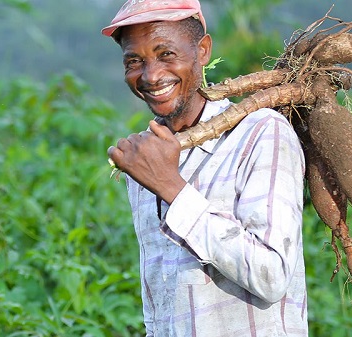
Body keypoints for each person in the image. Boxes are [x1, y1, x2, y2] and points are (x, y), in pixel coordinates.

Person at [103, 1, 308, 336]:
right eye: (134, 61)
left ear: (202, 50)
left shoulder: (260, 132)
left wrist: (171, 187)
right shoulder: (145, 157)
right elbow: (161, 296)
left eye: (166, 54)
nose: (151, 75)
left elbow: (272, 275)